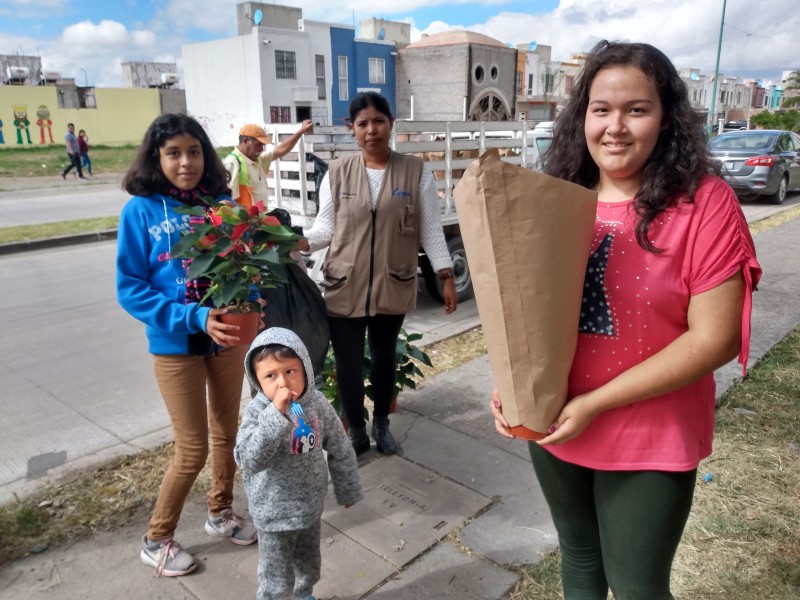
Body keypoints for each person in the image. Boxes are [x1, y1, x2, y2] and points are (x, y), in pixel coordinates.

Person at [490, 41, 761, 599]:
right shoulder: (561, 196)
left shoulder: (704, 203)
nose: (616, 127)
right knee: (580, 559)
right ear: (582, 116)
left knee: (637, 585)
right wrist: (512, 381)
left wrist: (596, 403)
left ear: (666, 119)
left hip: (648, 431)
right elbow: (524, 305)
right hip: (555, 419)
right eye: (600, 109)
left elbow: (714, 337)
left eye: (637, 109)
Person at [116, 113, 258, 578]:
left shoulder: (218, 203)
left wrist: (254, 297)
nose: (185, 162)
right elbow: (131, 287)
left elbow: (242, 266)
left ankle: (220, 512)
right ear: (157, 158)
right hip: (176, 344)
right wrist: (193, 316)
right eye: (173, 153)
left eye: (194, 151)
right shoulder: (140, 211)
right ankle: (156, 538)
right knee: (192, 448)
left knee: (227, 432)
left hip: (226, 338)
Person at [301, 92, 458, 456]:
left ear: (390, 123)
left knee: (385, 360)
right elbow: (324, 229)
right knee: (348, 365)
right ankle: (356, 430)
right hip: (343, 285)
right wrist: (289, 242)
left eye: (378, 121)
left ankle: (383, 425)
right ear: (352, 130)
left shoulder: (416, 172)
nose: (371, 130)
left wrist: (445, 276)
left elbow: (430, 230)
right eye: (362, 124)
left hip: (392, 282)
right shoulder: (337, 173)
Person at [235, 327, 363, 600]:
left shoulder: (316, 403)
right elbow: (248, 459)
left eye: (290, 372)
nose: (283, 383)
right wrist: (274, 417)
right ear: (257, 380)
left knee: (308, 566)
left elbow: (339, 445)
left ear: (305, 368)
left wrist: (348, 487)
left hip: (309, 507)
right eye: (271, 376)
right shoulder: (258, 412)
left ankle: (304, 594)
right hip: (272, 513)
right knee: (276, 577)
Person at [223, 120, 314, 208]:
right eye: (258, 145)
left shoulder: (258, 160)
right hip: (246, 221)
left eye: (263, 145)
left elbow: (280, 150)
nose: (261, 149)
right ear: (246, 141)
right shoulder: (233, 163)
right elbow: (227, 202)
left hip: (258, 220)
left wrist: (301, 131)